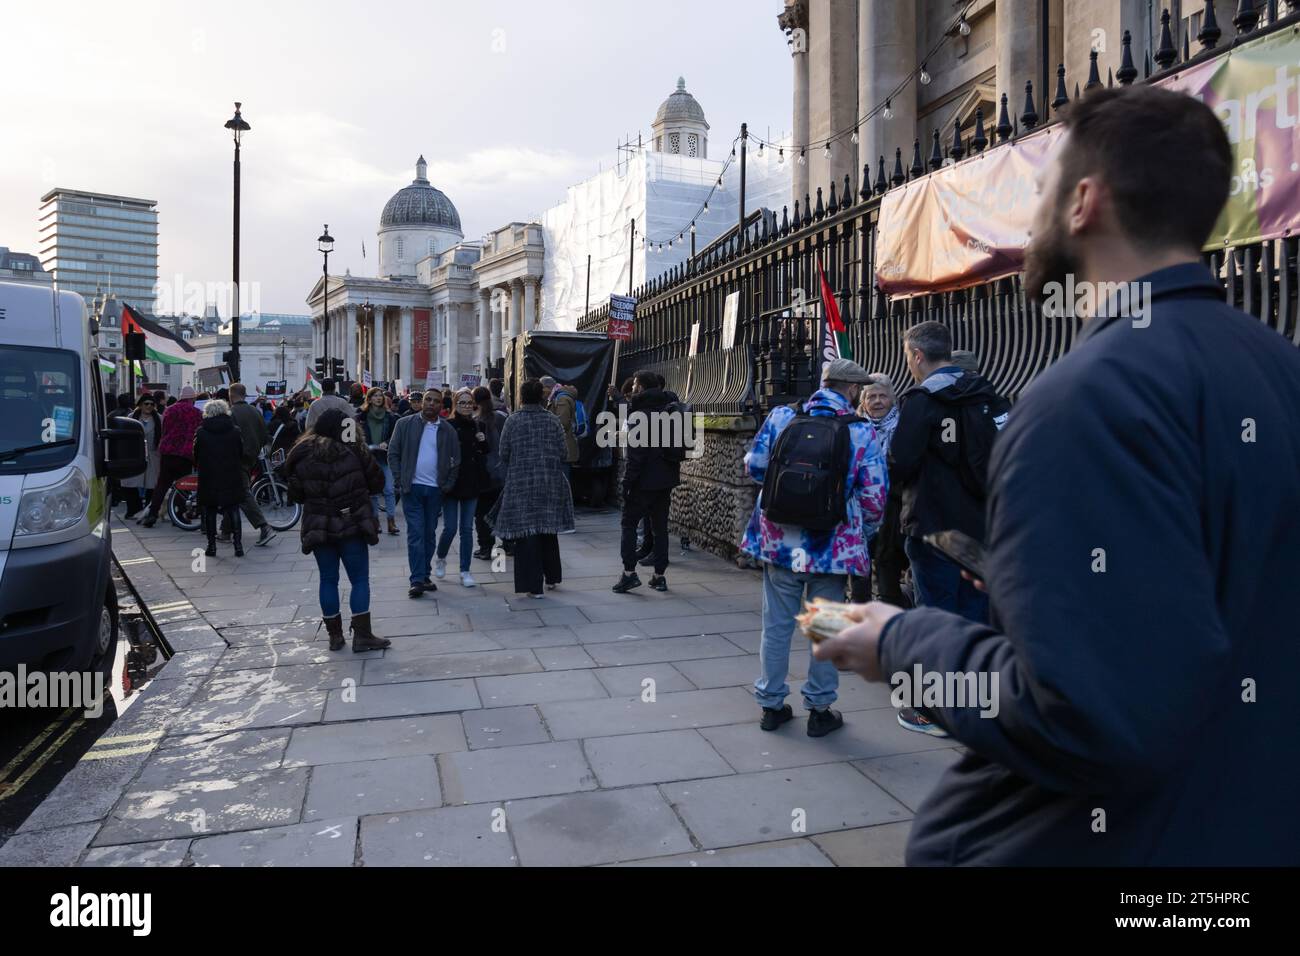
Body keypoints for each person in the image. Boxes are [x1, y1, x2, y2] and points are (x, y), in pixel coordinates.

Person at [816, 86, 1300, 865]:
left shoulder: (1086, 401)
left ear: (1083, 202)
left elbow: (1087, 712)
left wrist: (902, 640)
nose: (1028, 219)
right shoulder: (1280, 369)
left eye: (1040, 191)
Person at [740, 357, 887, 738]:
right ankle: (820, 709)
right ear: (852, 389)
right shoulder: (860, 431)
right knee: (826, 629)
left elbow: (755, 467)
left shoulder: (781, 417)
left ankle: (771, 705)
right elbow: (874, 497)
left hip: (779, 542)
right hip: (831, 547)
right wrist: (861, 532)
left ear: (823, 382)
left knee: (775, 626)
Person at [889, 320, 1002, 625]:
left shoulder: (921, 400)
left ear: (918, 355)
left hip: (932, 524)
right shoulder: (987, 396)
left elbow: (898, 463)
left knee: (937, 620)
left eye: (908, 356)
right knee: (978, 616)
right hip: (979, 526)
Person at [285, 407, 390, 653]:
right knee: (359, 579)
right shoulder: (354, 450)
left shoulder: (301, 453)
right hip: (351, 522)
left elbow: (296, 494)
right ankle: (362, 636)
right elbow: (377, 483)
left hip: (319, 525)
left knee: (328, 580)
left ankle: (335, 636)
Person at [487, 378, 574, 597]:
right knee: (547, 530)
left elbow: (504, 453)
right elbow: (564, 453)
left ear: (522, 397)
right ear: (542, 396)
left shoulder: (513, 421)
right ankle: (552, 577)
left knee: (527, 535)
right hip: (549, 481)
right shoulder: (553, 421)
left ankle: (533, 587)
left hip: (521, 483)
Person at [612, 370, 683, 594]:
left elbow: (636, 456)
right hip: (665, 480)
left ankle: (629, 573)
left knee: (629, 524)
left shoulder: (638, 416)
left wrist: (627, 483)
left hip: (643, 482)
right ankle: (659, 576)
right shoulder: (671, 410)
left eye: (634, 385)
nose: (632, 389)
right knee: (661, 529)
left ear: (641, 388)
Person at [387, 388, 460, 598]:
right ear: (421, 402)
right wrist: (401, 480)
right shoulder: (404, 424)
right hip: (413, 488)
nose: (430, 404)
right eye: (428, 399)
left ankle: (425, 574)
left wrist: (447, 485)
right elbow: (393, 453)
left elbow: (456, 461)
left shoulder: (447, 430)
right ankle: (416, 579)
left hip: (436, 490)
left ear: (441, 406)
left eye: (435, 401)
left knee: (429, 534)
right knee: (416, 534)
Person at [850, 373, 908, 607]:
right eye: (871, 396)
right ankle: (860, 604)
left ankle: (888, 604)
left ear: (892, 399)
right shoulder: (855, 428)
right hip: (860, 506)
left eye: (882, 396)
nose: (877, 401)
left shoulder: (903, 426)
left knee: (887, 559)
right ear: (863, 401)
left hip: (892, 506)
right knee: (860, 558)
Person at [435, 388, 490, 587]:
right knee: (450, 528)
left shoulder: (479, 424)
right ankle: (440, 558)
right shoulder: (447, 425)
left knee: (467, 529)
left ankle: (465, 570)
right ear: (455, 405)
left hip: (472, 481)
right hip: (453, 482)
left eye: (469, 403)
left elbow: (485, 452)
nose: (466, 406)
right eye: (462, 403)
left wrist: (483, 443)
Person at [141, 385, 204, 527]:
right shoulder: (196, 413)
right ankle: (179, 515)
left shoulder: (169, 410)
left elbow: (164, 429)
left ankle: (152, 515)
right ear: (192, 398)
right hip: (185, 454)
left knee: (162, 485)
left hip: (168, 452)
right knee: (183, 486)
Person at [225, 383, 277, 547]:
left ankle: (264, 527)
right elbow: (264, 435)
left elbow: (230, 438)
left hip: (236, 458)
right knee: (232, 493)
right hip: (251, 457)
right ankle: (225, 530)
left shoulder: (231, 413)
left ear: (231, 395)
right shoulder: (256, 411)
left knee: (241, 493)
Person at [192, 400, 246, 557]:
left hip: (209, 475)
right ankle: (238, 546)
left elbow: (196, 455)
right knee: (233, 508)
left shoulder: (201, 432)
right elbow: (240, 452)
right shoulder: (235, 431)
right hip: (231, 474)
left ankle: (212, 546)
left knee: (210, 510)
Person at [472, 385, 508, 560]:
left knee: (482, 513)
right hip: (503, 471)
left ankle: (486, 547)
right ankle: (509, 544)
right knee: (503, 510)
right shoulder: (502, 417)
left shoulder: (475, 421)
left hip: (483, 473)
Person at [357, 388, 399, 535]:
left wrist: (386, 442)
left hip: (385, 457)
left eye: (380, 396)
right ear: (369, 399)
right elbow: (357, 436)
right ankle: (375, 521)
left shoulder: (391, 417)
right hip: (369, 458)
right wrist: (363, 445)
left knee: (389, 490)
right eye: (375, 396)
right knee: (373, 492)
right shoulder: (361, 417)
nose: (378, 398)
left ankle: (391, 521)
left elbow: (395, 436)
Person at [122, 393, 162, 518]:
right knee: (130, 483)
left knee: (152, 484)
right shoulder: (131, 417)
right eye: (146, 404)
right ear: (140, 405)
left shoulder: (159, 418)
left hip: (153, 454)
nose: (149, 406)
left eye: (152, 404)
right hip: (134, 454)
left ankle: (149, 510)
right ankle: (133, 509)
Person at [540, 375, 580, 483]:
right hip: (562, 449)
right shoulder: (557, 397)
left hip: (564, 451)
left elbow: (562, 423)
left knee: (562, 484)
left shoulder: (561, 399)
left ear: (548, 387)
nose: (541, 393)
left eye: (542, 389)